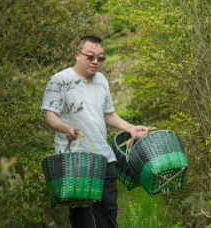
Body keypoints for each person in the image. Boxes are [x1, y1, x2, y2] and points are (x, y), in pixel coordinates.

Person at [41, 35, 148, 228]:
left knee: (108, 217)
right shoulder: (60, 80)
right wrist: (66, 128)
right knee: (82, 220)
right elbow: (50, 116)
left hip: (104, 158)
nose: (96, 61)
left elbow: (108, 114)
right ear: (77, 55)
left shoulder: (102, 81)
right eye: (90, 56)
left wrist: (131, 128)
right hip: (75, 161)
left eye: (100, 58)